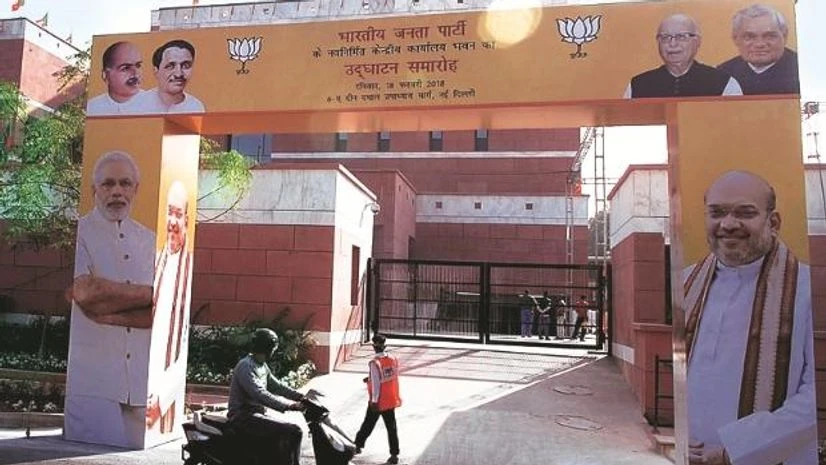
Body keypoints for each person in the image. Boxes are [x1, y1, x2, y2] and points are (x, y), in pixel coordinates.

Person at [684, 170, 816, 465]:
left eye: (745, 213)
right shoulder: (685, 284)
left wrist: (736, 451)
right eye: (716, 213)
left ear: (774, 222)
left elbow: (816, 394)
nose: (728, 224)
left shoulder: (808, 290)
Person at [64, 150, 156, 448]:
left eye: (125, 183)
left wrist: (111, 311)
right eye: (108, 184)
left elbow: (161, 312)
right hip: (94, 380)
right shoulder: (81, 234)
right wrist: (147, 295)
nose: (117, 191)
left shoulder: (151, 241)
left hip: (140, 381)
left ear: (136, 189)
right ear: (94, 190)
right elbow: (88, 294)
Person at [146, 181, 193, 438]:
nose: (172, 222)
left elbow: (183, 344)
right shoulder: (154, 262)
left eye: (178, 214)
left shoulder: (187, 267)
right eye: (169, 212)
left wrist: (161, 399)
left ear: (186, 219)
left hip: (161, 399)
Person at [227, 328, 306, 465]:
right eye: (273, 348)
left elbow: (277, 386)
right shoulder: (246, 366)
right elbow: (259, 394)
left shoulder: (261, 365)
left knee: (282, 436)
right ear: (268, 348)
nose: (274, 351)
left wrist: (301, 397)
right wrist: (288, 406)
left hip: (257, 415)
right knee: (293, 431)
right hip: (243, 417)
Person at [624, 14, 742, 99]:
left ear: (697, 41)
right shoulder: (638, 85)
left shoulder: (724, 83)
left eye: (681, 37)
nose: (673, 44)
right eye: (665, 37)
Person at [717, 4, 799, 95]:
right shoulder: (723, 74)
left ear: (784, 36)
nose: (759, 44)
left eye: (769, 36)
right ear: (735, 39)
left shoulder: (801, 69)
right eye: (749, 37)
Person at [354, 334, 401, 465]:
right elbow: (388, 377)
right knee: (391, 428)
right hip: (390, 399)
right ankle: (394, 454)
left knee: (368, 424)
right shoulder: (392, 359)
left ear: (374, 347)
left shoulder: (375, 363)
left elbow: (376, 384)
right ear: (385, 346)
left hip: (378, 401)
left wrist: (374, 401)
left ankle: (357, 446)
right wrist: (368, 379)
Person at [133, 39, 205, 113]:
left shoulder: (195, 107)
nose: (178, 74)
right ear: (156, 71)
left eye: (185, 66)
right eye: (170, 66)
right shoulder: (138, 104)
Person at [86, 42, 145, 116]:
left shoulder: (154, 104)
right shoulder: (93, 108)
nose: (136, 74)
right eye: (126, 68)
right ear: (105, 75)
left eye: (138, 66)